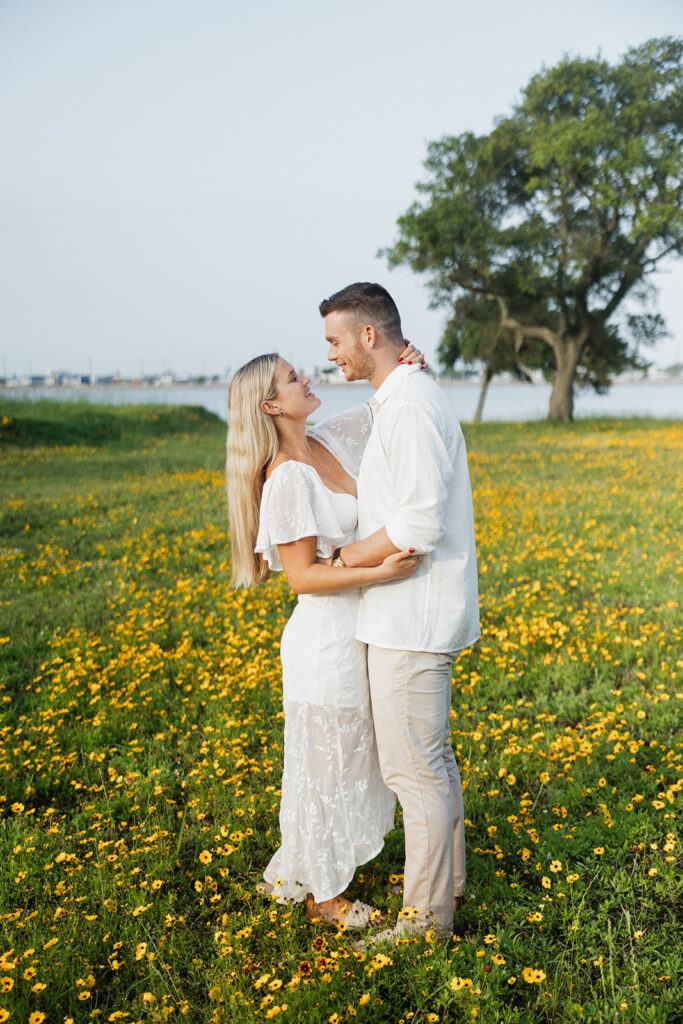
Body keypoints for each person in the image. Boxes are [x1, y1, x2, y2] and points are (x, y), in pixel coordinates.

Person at [225, 349, 422, 928]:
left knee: (350, 761)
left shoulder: (323, 441)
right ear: (270, 405)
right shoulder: (286, 478)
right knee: (326, 766)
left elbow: (381, 406)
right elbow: (303, 577)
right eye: (292, 378)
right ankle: (326, 898)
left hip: (356, 629)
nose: (306, 377)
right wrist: (377, 573)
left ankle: (304, 870)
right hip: (324, 640)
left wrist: (405, 363)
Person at [320, 282, 480, 940]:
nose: (329, 355)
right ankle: (446, 888)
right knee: (429, 763)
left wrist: (345, 558)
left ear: (368, 336)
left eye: (334, 341)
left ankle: (424, 923)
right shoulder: (404, 394)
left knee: (414, 770)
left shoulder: (410, 404)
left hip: (411, 617)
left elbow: (416, 521)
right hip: (406, 614)